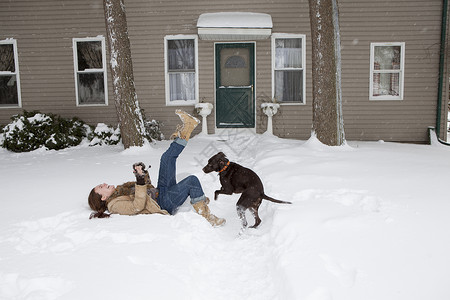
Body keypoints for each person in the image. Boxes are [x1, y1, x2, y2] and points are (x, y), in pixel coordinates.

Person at [88, 110, 226, 227]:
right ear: (103, 197)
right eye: (101, 187)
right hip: (162, 203)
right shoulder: (114, 205)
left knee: (166, 159)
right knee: (192, 181)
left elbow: (146, 189)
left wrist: (142, 173)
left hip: (160, 192)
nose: (104, 184)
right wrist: (140, 180)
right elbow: (138, 206)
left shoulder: (119, 190)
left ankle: (187, 128)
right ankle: (207, 216)